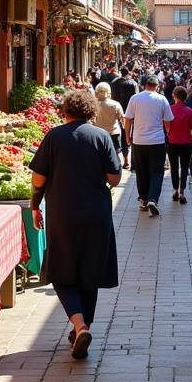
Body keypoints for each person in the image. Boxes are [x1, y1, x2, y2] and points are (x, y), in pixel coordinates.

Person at [30, 89, 121, 359]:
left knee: (61, 272)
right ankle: (83, 329)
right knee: (90, 272)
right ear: (90, 111)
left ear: (65, 111)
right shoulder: (102, 136)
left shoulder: (54, 136)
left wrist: (35, 205)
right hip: (97, 214)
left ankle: (79, 326)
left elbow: (38, 178)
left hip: (63, 214)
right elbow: (115, 178)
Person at [123, 74, 173, 215]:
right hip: (157, 141)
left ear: (144, 85)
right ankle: (153, 199)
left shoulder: (135, 98)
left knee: (141, 171)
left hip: (139, 141)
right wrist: (167, 133)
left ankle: (144, 200)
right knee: (157, 171)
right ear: (157, 86)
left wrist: (127, 135)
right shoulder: (162, 99)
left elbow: (127, 119)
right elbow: (168, 120)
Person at [167, 86, 192, 203]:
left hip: (172, 142)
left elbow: (167, 126)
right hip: (186, 143)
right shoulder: (189, 111)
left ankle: (174, 190)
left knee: (174, 167)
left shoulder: (170, 109)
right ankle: (182, 193)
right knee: (184, 167)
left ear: (174, 96)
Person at [111, 67, 137, 168]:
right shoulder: (133, 83)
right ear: (128, 73)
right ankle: (131, 162)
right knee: (131, 136)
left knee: (120, 136)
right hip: (130, 113)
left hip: (117, 111)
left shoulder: (114, 82)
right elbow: (136, 97)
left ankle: (124, 160)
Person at [92, 82, 125, 160]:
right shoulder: (115, 104)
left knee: (100, 155)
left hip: (98, 133)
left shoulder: (94, 105)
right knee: (115, 156)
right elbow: (122, 118)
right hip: (114, 132)